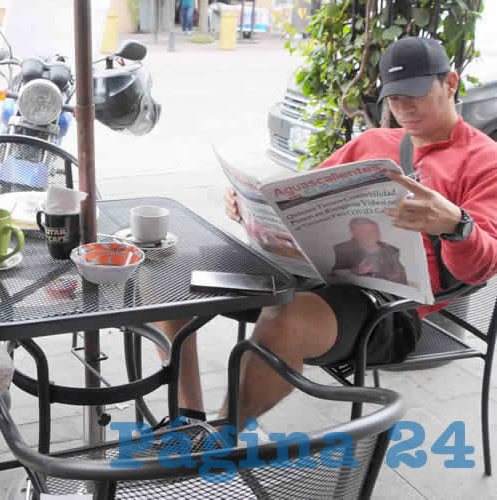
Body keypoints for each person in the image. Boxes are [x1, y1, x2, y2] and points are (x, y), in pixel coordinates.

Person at [155, 37, 497, 429]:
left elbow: (482, 267)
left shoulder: (485, 161)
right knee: (176, 276)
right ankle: (188, 417)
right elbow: (300, 199)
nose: (404, 109)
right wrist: (250, 211)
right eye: (395, 98)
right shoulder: (372, 142)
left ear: (451, 83)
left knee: (286, 318)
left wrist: (457, 226)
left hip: (390, 307)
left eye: (416, 95)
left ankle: (218, 439)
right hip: (314, 270)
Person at [331, 217, 408, 284]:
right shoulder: (342, 249)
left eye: (375, 231)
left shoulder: (390, 250)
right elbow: (334, 275)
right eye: (367, 232)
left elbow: (401, 277)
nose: (374, 235)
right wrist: (355, 272)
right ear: (354, 234)